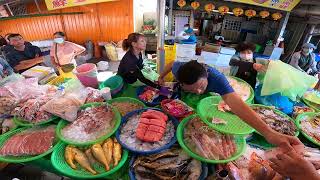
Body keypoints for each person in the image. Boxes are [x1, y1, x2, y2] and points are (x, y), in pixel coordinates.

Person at [159, 60, 302, 150]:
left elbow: (237, 104)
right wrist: (161, 76)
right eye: (192, 88)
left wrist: (269, 133)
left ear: (207, 77)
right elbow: (171, 63)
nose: (198, 91)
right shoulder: (180, 71)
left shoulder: (217, 79)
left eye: (202, 86)